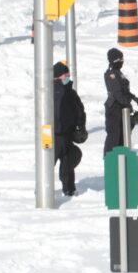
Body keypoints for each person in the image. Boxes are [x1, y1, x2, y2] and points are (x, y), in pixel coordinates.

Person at [53, 62, 86, 196]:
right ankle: (43, 190)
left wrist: (80, 126)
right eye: (65, 75)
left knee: (70, 159)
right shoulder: (51, 91)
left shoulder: (70, 91)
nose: (68, 77)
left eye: (68, 75)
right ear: (58, 76)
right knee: (49, 163)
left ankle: (69, 189)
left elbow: (79, 110)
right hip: (53, 135)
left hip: (67, 133)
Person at [103, 48, 138, 154]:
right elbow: (118, 94)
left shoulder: (119, 73)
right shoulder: (111, 75)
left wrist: (132, 97)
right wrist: (128, 102)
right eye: (120, 59)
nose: (122, 61)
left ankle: (121, 160)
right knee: (114, 136)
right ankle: (110, 160)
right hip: (114, 108)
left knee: (124, 135)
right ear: (115, 60)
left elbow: (124, 90)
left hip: (122, 108)